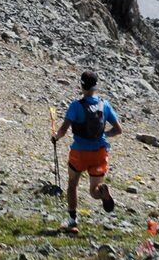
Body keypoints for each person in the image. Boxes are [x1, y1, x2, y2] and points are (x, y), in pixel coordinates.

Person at [52, 69, 121, 232]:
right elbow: (118, 130)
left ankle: (72, 221)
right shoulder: (105, 105)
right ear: (96, 86)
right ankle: (102, 192)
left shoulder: (76, 106)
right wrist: (105, 134)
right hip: (100, 153)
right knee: (93, 190)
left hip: (80, 153)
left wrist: (55, 137)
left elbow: (63, 129)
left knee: (73, 184)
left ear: (82, 86)